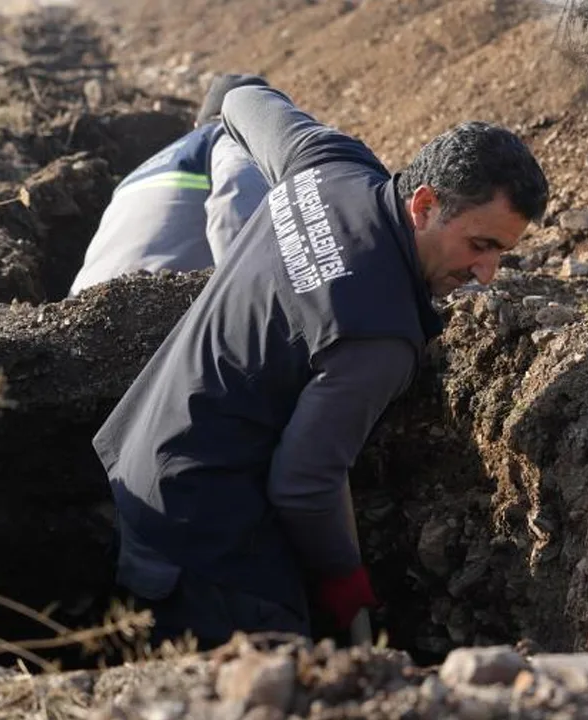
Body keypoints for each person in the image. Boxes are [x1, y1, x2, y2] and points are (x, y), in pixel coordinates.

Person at [92, 84, 549, 648]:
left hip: (140, 461)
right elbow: (305, 483)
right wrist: (344, 580)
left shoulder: (328, 164)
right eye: (480, 245)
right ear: (425, 205)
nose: (488, 273)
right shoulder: (379, 335)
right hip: (203, 534)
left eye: (502, 251)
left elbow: (239, 100)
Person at [68, 74, 272, 295]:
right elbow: (236, 204)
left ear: (196, 123)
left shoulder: (138, 173)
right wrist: (260, 296)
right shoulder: (230, 137)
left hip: (81, 303)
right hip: (154, 302)